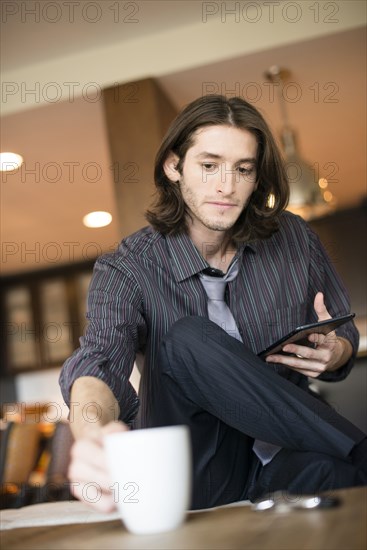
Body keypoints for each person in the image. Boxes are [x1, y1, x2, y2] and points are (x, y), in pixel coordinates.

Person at [60, 95, 366, 512]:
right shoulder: (129, 266)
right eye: (209, 166)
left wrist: (337, 352)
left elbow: (344, 331)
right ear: (174, 166)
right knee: (186, 337)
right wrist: (91, 432)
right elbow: (99, 361)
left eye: (243, 169)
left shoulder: (294, 237)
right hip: (195, 467)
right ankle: (361, 452)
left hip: (285, 454)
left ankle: (353, 461)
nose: (227, 185)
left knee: (341, 479)